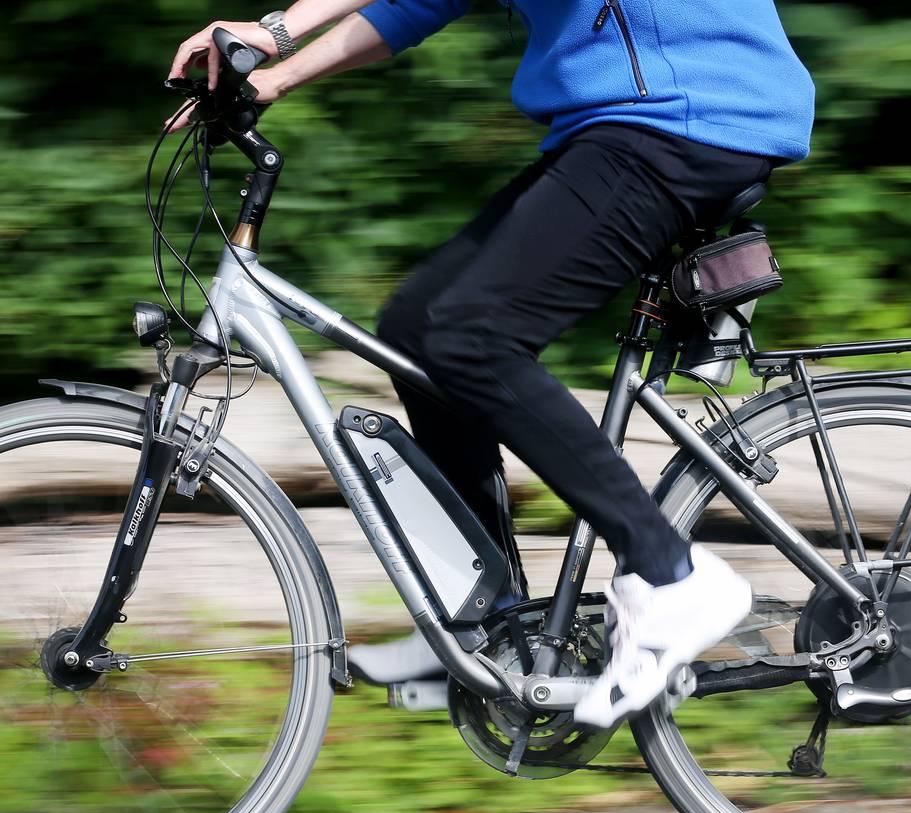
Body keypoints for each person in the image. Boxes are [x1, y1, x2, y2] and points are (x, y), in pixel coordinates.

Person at [168, 1, 814, 728]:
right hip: (623, 128)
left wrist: (279, 28)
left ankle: (673, 574)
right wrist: (276, 80)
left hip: (694, 115)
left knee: (472, 335)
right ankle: (483, 620)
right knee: (416, 332)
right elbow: (418, 5)